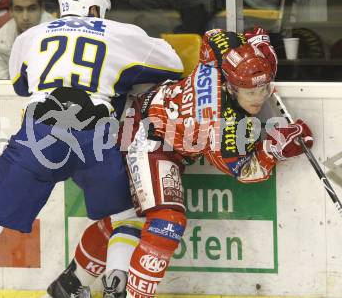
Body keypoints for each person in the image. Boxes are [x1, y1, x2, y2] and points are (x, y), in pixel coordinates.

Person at [0, 0, 184, 298]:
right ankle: (117, 284)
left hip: (39, 132)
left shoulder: (30, 35)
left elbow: (21, 84)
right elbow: (174, 65)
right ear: (96, 10)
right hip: (97, 135)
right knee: (126, 216)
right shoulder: (122, 33)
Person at [44, 28, 314, 298]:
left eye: (263, 88)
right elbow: (244, 170)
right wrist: (274, 149)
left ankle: (66, 287)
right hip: (147, 137)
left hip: (146, 122)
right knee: (166, 221)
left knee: (125, 218)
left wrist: (258, 50)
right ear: (230, 86)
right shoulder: (220, 126)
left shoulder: (219, 65)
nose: (259, 98)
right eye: (249, 92)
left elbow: (214, 36)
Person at [0, 0, 55, 79]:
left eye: (32, 9)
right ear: (10, 11)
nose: (25, 17)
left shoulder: (58, 33)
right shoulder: (3, 36)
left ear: (42, 9)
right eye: (19, 9)